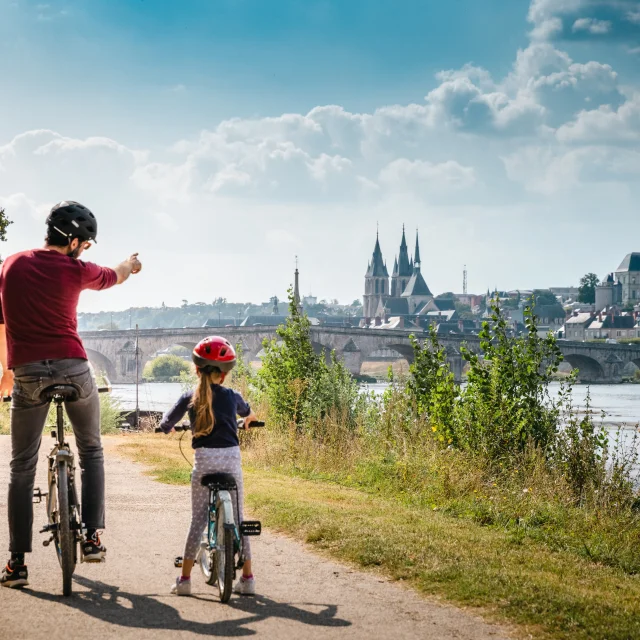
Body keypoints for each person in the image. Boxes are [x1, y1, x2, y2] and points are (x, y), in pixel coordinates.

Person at [0, 201, 142, 589]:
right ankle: (93, 537)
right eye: (87, 244)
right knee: (91, 449)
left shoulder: (10, 265)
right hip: (74, 368)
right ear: (75, 241)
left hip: (28, 371)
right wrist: (130, 263)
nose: (86, 250)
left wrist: (6, 374)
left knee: (21, 467)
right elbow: (116, 275)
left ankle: (16, 563)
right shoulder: (77, 269)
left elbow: (2, 322)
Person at [159, 336, 258, 597]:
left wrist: (168, 428)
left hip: (203, 464)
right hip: (231, 463)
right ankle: (247, 578)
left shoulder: (188, 398)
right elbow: (248, 413)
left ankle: (184, 580)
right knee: (238, 518)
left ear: (196, 370)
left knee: (197, 520)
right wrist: (248, 420)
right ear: (223, 375)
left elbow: (166, 424)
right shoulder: (233, 396)